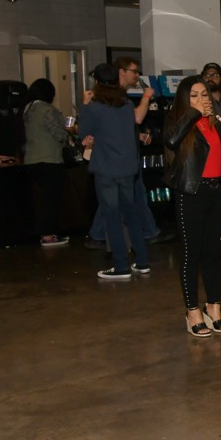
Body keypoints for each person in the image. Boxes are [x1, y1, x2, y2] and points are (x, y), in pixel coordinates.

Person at [164, 75, 221, 339]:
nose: (201, 100)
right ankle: (192, 311)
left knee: (213, 253)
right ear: (184, 99)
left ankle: (214, 307)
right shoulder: (178, 122)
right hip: (191, 192)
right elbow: (171, 140)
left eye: (204, 94)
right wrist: (192, 113)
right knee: (191, 254)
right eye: (194, 95)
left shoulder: (218, 123)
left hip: (217, 192)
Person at [83, 57, 167, 250]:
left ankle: (126, 240)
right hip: (119, 161)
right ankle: (136, 241)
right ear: (121, 72)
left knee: (121, 202)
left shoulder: (115, 98)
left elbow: (115, 127)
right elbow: (135, 119)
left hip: (117, 160)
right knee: (124, 203)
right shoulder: (118, 99)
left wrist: (137, 137)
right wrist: (146, 97)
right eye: (133, 71)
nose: (137, 75)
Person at [78, 63, 153, 280]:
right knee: (131, 214)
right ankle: (142, 261)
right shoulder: (126, 104)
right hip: (128, 167)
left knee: (112, 217)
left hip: (106, 169)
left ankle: (121, 266)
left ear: (98, 82)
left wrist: (84, 104)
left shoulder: (94, 106)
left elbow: (83, 132)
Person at [22, 78, 71, 246]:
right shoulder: (48, 110)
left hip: (30, 160)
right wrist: (68, 131)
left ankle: (45, 232)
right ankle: (48, 235)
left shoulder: (27, 109)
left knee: (42, 199)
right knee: (51, 199)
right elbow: (59, 135)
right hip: (49, 160)